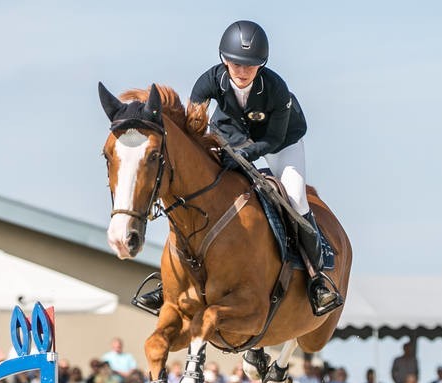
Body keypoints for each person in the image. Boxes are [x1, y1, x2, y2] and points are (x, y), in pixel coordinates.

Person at [134, 19, 342, 316]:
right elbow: (194, 124)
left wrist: (244, 154)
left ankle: (317, 277)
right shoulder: (208, 81)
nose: (242, 71)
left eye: (250, 65)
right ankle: (170, 282)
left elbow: (273, 138)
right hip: (232, 134)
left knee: (295, 197)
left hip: (281, 141)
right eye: (235, 64)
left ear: (261, 65)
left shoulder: (276, 89)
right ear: (224, 61)